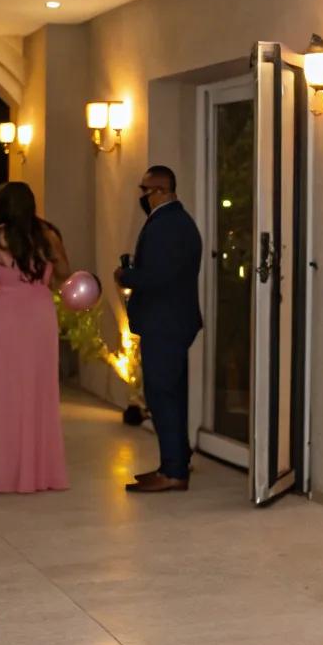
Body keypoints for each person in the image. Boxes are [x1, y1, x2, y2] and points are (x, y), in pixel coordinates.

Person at [0, 183, 70, 493]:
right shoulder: (48, 235)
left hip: (5, 315)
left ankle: (6, 473)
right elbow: (65, 274)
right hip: (40, 314)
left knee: (5, 389)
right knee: (40, 388)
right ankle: (42, 472)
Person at [115, 165, 202, 494]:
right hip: (172, 321)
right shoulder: (176, 222)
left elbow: (159, 276)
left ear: (162, 190)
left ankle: (173, 471)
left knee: (163, 395)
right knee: (171, 395)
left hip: (165, 323)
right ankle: (175, 461)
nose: (142, 197)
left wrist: (126, 277)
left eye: (145, 190)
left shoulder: (168, 224)